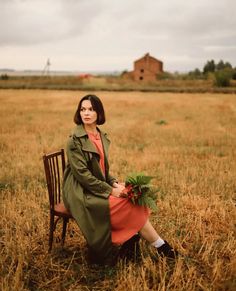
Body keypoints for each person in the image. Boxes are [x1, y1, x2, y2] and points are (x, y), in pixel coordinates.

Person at [63, 94, 178, 265]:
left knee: (134, 196)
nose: (86, 113)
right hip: (80, 190)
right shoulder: (74, 140)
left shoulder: (100, 135)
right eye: (82, 109)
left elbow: (101, 169)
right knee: (126, 202)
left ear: (99, 113)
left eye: (91, 109)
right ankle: (162, 248)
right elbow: (83, 176)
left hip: (95, 184)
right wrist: (111, 190)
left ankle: (133, 242)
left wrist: (114, 182)